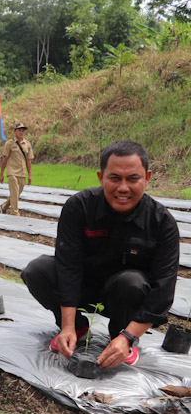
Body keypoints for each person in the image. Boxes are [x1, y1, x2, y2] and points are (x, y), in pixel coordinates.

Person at [22, 140, 179, 368]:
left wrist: (128, 337)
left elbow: (163, 292)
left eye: (132, 178)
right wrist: (66, 326)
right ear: (100, 177)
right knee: (37, 270)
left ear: (147, 178)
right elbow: (68, 266)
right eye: (114, 178)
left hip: (124, 295)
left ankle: (120, 337)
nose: (123, 188)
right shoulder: (79, 207)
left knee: (131, 282)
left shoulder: (161, 223)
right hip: (84, 287)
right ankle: (76, 328)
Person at [0, 122, 34, 215]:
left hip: (22, 173)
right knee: (14, 192)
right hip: (12, 172)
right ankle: (15, 212)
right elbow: (4, 159)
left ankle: (4, 206)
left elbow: (29, 160)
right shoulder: (9, 143)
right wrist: (1, 174)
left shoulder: (27, 144)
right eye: (19, 130)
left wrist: (30, 175)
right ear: (15, 131)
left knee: (17, 193)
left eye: (23, 130)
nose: (21, 132)